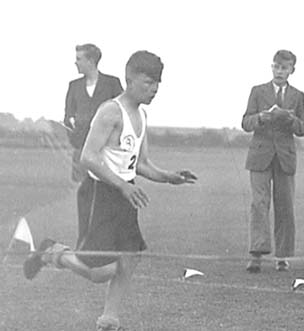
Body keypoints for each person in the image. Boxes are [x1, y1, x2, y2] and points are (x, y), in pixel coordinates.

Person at [24, 51, 197, 331]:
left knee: (131, 256)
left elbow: (140, 164)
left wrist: (169, 177)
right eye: (147, 82)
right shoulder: (110, 111)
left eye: (157, 84)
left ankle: (109, 320)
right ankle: (52, 252)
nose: (153, 89)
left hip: (125, 193)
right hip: (99, 192)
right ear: (129, 80)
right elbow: (88, 158)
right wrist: (121, 186)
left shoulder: (141, 114)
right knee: (99, 271)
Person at [242, 50, 304, 273]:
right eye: (276, 67)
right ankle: (256, 255)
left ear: (292, 70)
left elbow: (303, 129)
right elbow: (246, 122)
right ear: (272, 67)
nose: (280, 71)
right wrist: (261, 117)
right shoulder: (257, 91)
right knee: (259, 204)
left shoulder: (298, 96)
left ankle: (282, 256)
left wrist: (289, 119)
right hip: (260, 156)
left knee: (285, 207)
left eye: (285, 68)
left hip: (285, 157)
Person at [63, 43, 123, 249]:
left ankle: (107, 242)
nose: (75, 62)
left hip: (107, 152)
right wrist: (75, 138)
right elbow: (67, 118)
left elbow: (122, 113)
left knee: (108, 195)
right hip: (82, 151)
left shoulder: (112, 84)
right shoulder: (73, 86)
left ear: (91, 61)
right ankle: (84, 242)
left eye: (79, 58)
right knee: (85, 196)